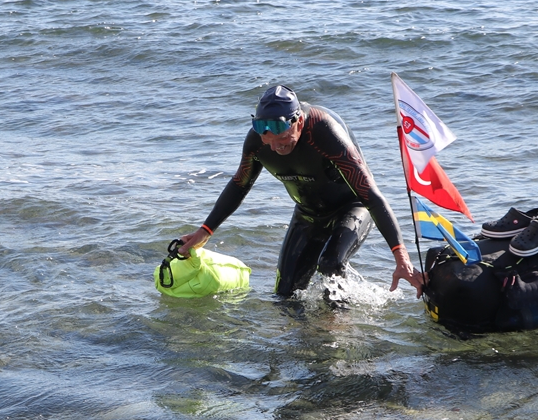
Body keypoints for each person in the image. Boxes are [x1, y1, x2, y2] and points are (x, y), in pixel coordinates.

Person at [177, 85, 425, 299]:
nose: (275, 148)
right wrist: (204, 231)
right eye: (269, 141)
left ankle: (339, 328)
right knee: (284, 294)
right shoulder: (256, 142)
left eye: (283, 139)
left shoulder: (325, 132)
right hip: (307, 213)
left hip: (352, 207)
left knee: (330, 264)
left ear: (298, 122)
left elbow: (370, 195)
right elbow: (239, 184)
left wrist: (400, 256)